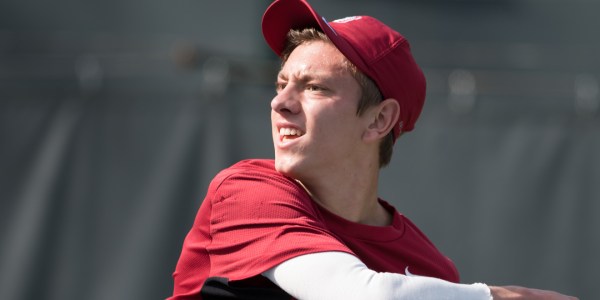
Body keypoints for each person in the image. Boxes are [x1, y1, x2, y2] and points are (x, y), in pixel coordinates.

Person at [169, 0, 578, 299]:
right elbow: (362, 294)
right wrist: (497, 296)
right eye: (281, 85)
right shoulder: (246, 192)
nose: (280, 103)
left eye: (313, 87)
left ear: (379, 120)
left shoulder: (429, 271)